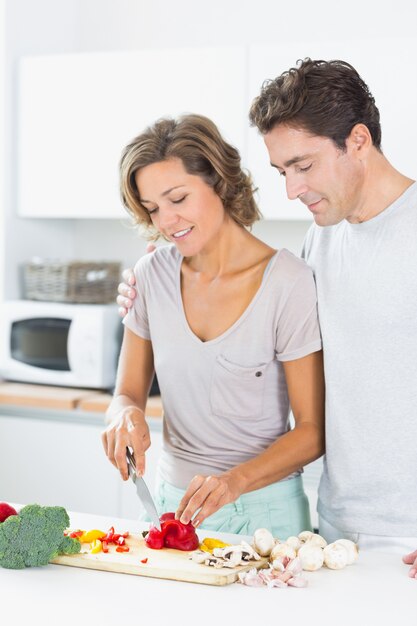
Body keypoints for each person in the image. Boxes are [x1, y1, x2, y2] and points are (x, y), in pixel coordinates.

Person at [118, 59, 417, 578]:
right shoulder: (322, 239)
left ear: (359, 140)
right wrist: (141, 291)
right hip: (336, 526)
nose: (292, 189)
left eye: (304, 165)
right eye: (282, 171)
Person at [103, 113, 325, 538]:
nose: (166, 221)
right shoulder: (150, 276)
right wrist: (124, 416)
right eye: (152, 208)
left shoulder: (287, 283)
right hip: (170, 509)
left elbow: (313, 432)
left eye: (178, 199)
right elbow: (126, 393)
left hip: (264, 515)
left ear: (219, 182)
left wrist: (235, 481)